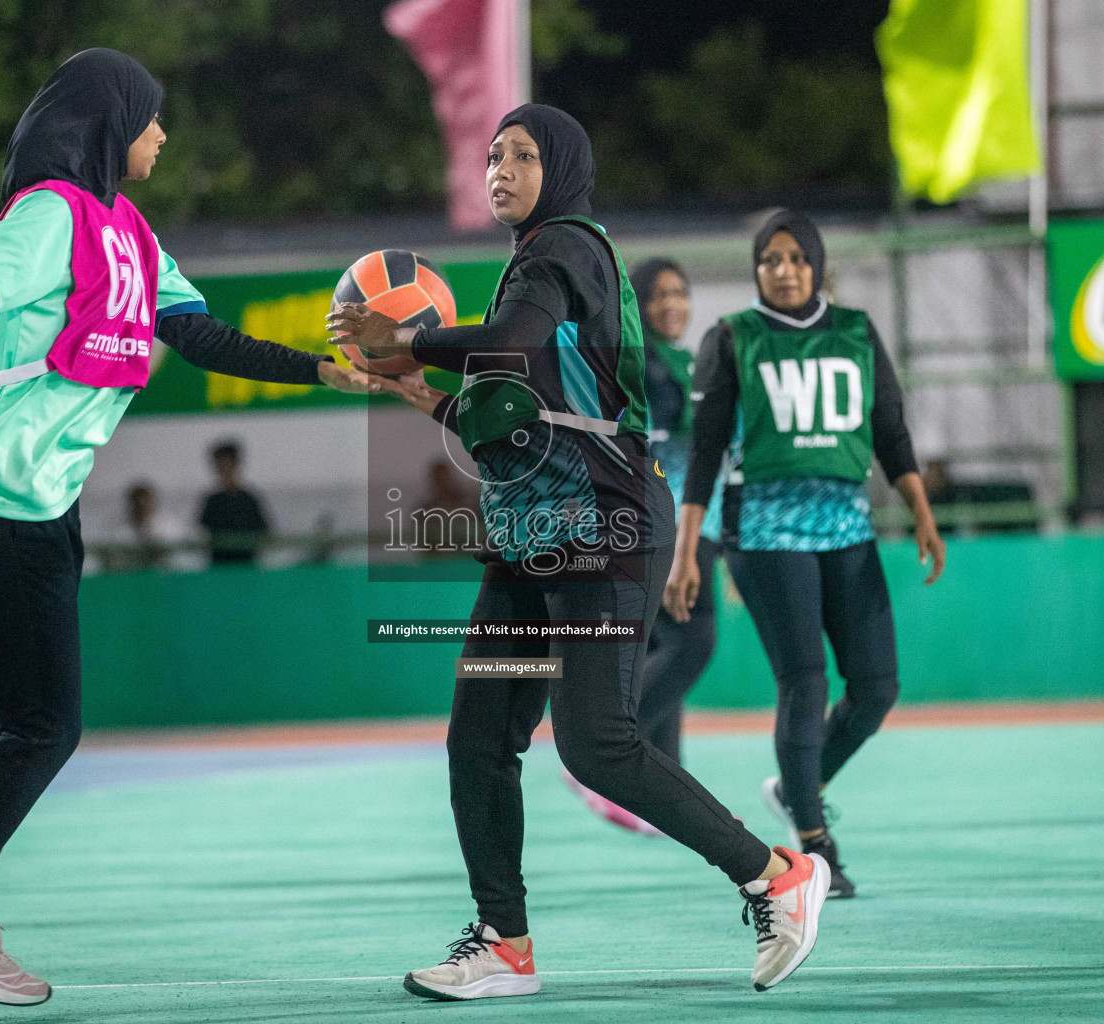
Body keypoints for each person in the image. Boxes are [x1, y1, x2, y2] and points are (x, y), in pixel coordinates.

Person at [0, 49, 379, 1024]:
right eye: (152, 119)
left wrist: (324, 372)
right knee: (47, 725)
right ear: (111, 120)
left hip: (42, 500)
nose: (162, 135)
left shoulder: (133, 235)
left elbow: (206, 339)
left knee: (15, 715)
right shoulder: (50, 214)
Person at [330, 104, 830, 1002]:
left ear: (561, 170)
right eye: (492, 155)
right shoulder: (534, 267)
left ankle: (776, 876)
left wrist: (403, 337)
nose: (500, 168)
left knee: (596, 744)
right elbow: (510, 420)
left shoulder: (564, 245)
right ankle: (504, 943)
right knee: (480, 740)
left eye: (522, 155)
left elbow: (510, 344)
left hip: (602, 525)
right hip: (533, 537)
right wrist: (418, 390)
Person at [668, 208, 946, 900]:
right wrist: (686, 551)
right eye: (770, 259)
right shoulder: (732, 339)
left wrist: (920, 512)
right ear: (756, 270)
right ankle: (817, 847)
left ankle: (800, 783)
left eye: (795, 258)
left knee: (878, 687)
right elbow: (702, 453)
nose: (783, 270)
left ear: (817, 265)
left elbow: (890, 431)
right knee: (806, 681)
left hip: (847, 527)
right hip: (762, 532)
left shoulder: (856, 332)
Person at [559, 257, 728, 835]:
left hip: (682, 521)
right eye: (657, 295)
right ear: (637, 303)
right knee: (693, 641)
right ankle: (601, 753)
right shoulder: (639, 365)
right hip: (663, 522)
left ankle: (660, 784)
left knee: (665, 643)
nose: (672, 305)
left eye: (680, 292)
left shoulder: (680, 361)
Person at [199, 440, 270, 565]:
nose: (223, 469)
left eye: (226, 464)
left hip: (246, 567)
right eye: (219, 464)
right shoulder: (212, 501)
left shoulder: (249, 500)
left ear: (235, 465)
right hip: (219, 567)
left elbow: (264, 531)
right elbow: (203, 533)